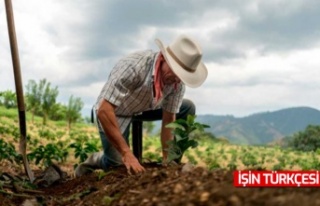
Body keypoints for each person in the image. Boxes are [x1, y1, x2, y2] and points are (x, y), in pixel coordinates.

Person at [75, 34, 208, 177]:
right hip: (116, 111)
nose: (177, 79)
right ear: (163, 59)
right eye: (176, 72)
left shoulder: (176, 83)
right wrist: (127, 153)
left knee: (187, 107)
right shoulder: (134, 67)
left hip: (145, 107)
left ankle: (172, 163)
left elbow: (169, 119)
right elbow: (104, 110)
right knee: (118, 167)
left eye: (182, 76)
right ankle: (97, 159)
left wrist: (167, 162)